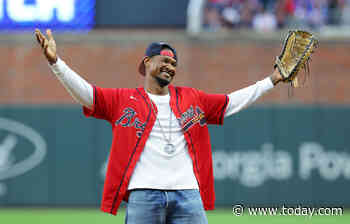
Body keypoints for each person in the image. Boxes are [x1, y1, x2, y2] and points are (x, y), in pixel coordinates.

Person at [35, 29, 283, 224]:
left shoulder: (192, 98)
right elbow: (87, 94)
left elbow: (232, 102)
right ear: (147, 62)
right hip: (143, 193)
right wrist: (56, 63)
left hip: (187, 193)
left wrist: (271, 81)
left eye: (174, 64)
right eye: (164, 60)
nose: (170, 66)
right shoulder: (123, 99)